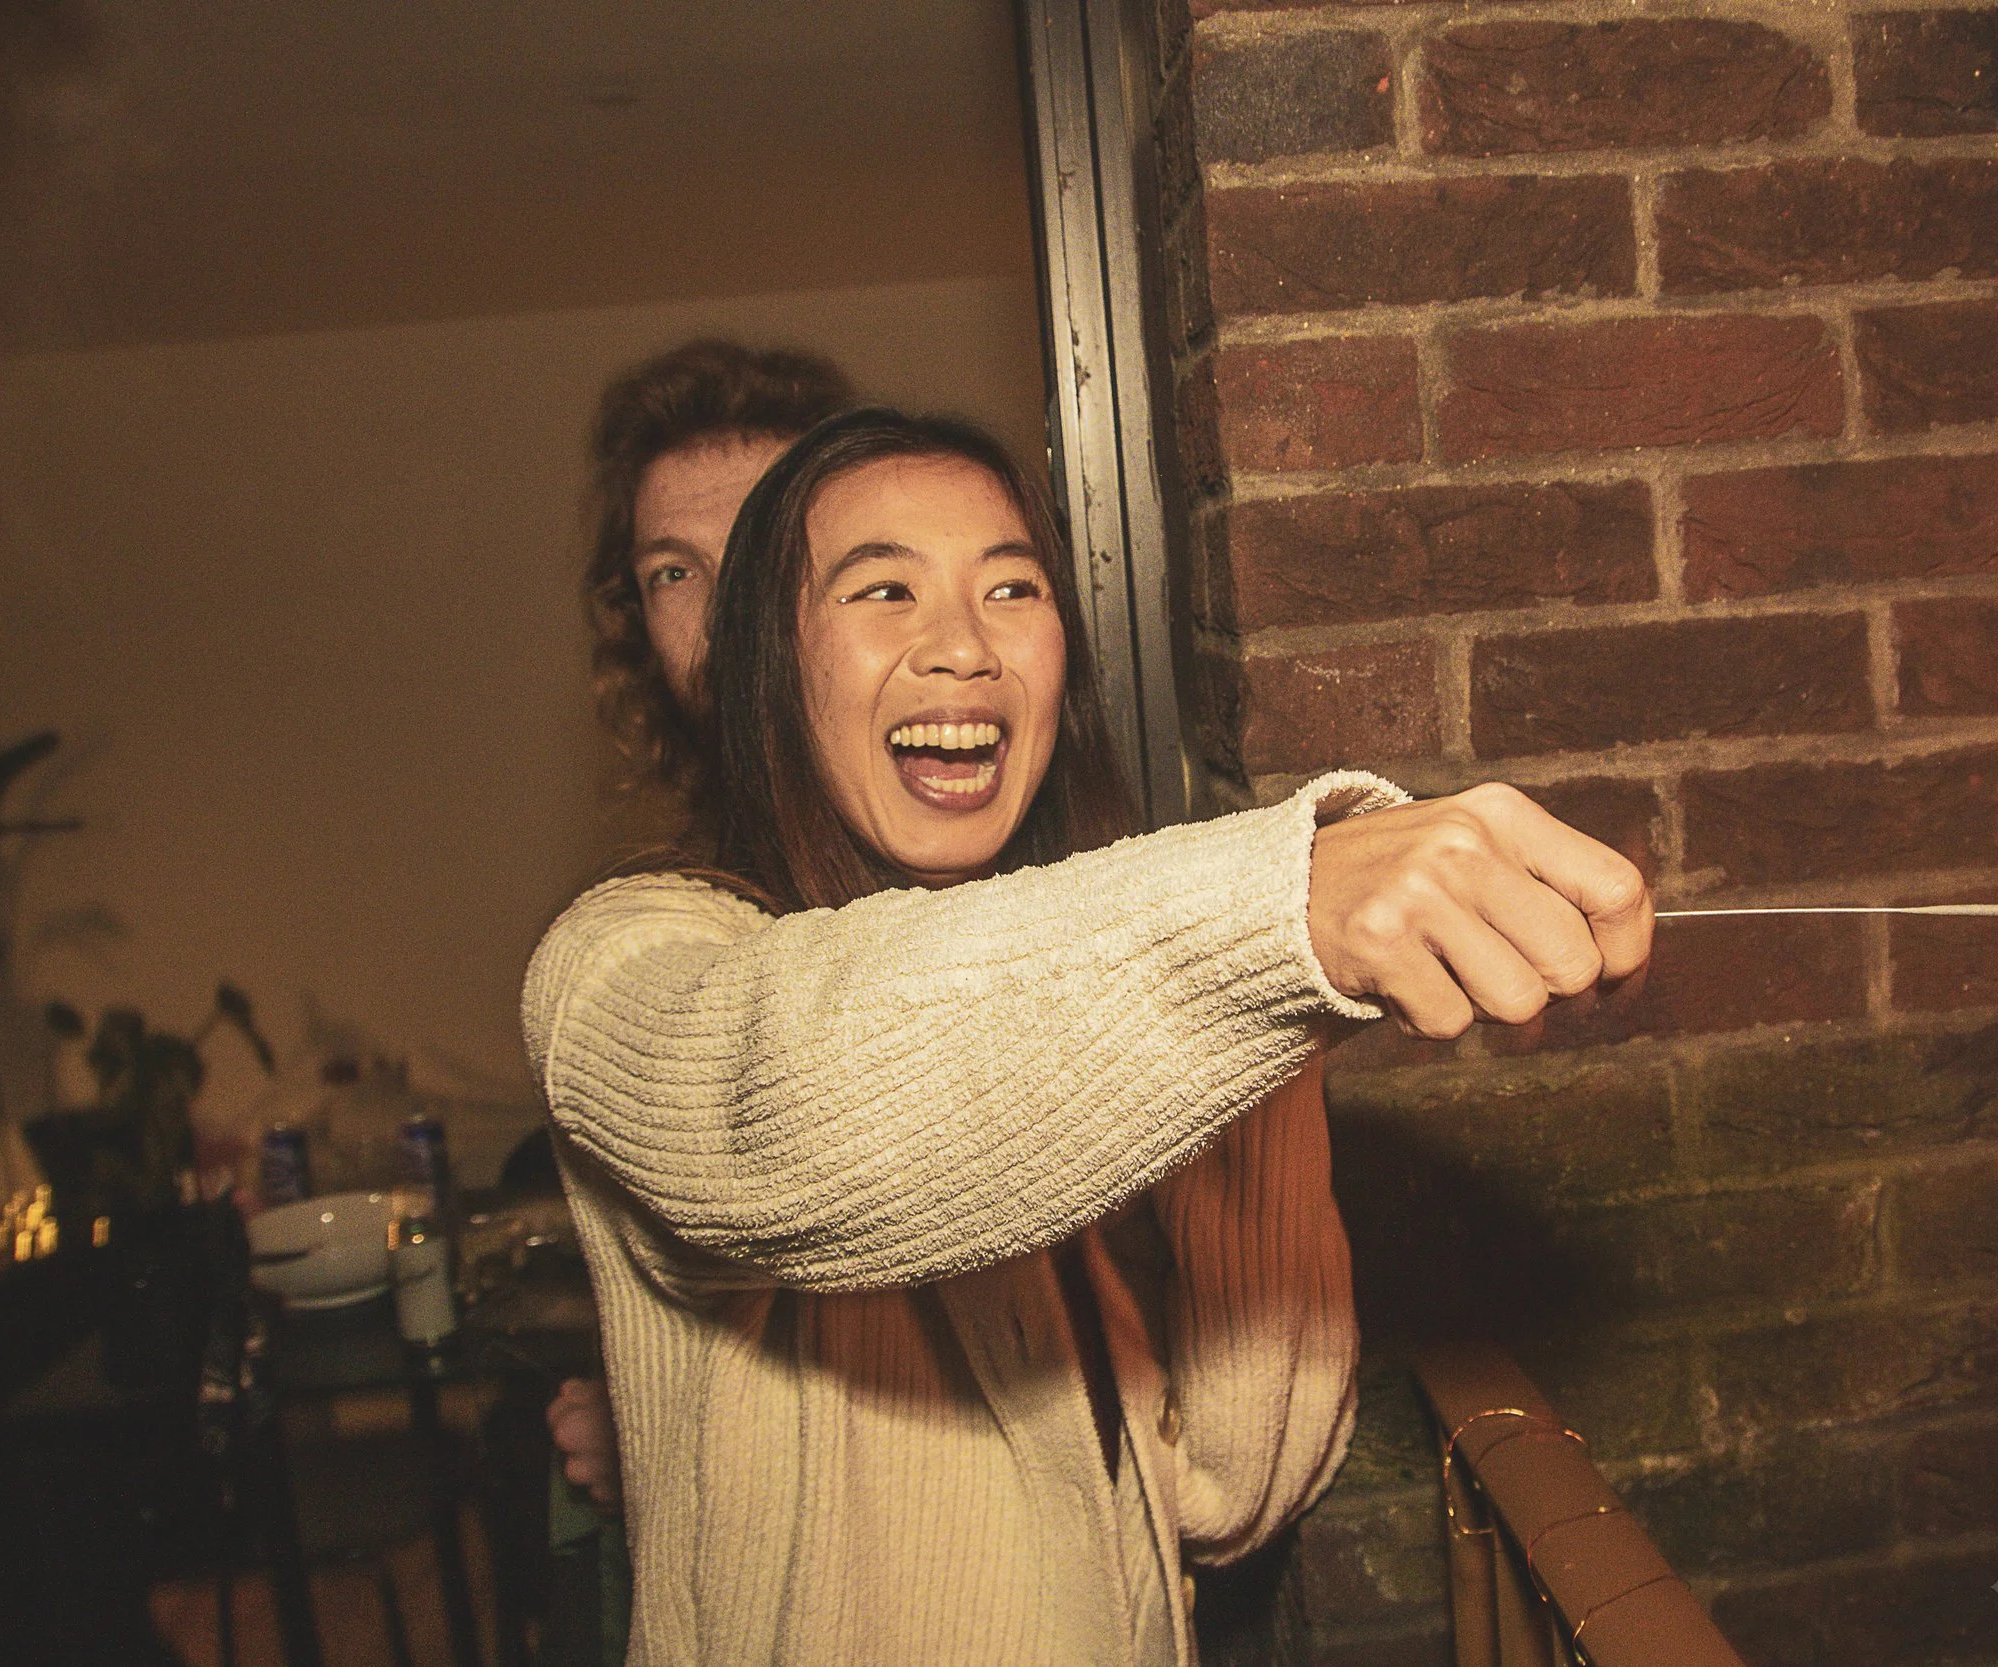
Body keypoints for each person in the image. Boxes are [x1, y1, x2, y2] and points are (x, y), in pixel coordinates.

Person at [521, 409, 1651, 1664]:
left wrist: (1274, 1034)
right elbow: (780, 1108)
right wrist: (1273, 917)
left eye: (1013, 586)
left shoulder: (1066, 1048)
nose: (963, 645)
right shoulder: (619, 962)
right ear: (769, 666)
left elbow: (1226, 1493)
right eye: (882, 587)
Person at [548, 338, 856, 1505]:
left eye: (767, 552)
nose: (722, 612)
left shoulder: (1006, 852)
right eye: (673, 570)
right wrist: (651, 1405)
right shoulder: (654, 927)